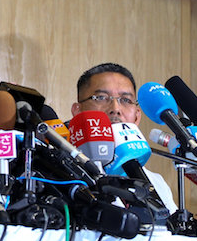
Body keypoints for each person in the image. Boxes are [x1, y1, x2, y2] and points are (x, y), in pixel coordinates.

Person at [70, 62, 178, 214]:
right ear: (78, 111)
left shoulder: (156, 182)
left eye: (126, 100)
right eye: (101, 97)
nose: (115, 109)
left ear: (137, 116)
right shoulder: (66, 174)